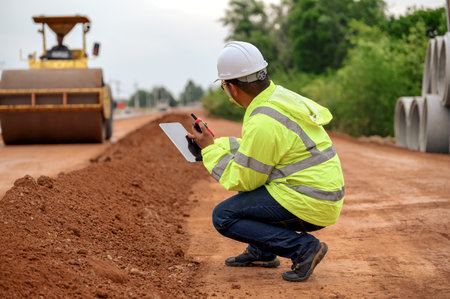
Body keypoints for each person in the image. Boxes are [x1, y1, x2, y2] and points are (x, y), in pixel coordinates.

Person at [187, 41, 344, 282]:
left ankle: (302, 248)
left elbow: (242, 178)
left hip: (310, 200)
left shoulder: (263, 120)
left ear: (232, 87)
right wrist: (213, 144)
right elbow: (255, 151)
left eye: (223, 86)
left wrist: (208, 151)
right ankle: (262, 251)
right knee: (255, 183)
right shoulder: (278, 98)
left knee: (224, 216)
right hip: (321, 193)